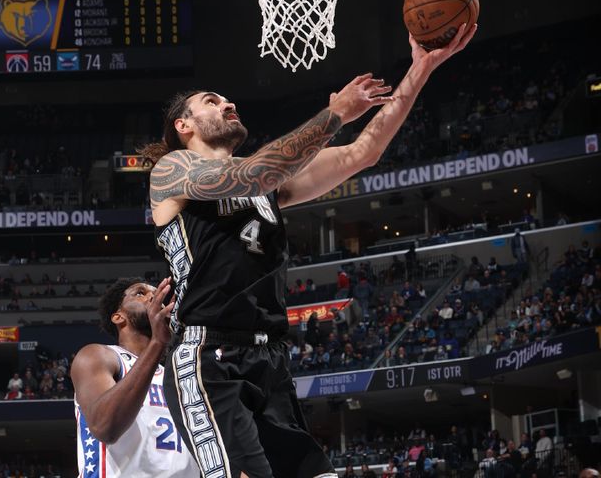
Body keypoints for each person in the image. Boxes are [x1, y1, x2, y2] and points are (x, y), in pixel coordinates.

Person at [142, 24, 476, 478]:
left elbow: (363, 152)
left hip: (270, 358)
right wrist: (334, 112)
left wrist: (419, 70)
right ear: (184, 126)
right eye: (211, 101)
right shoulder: (172, 170)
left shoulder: (266, 182)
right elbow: (253, 176)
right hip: (208, 361)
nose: (228, 103)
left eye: (226, 99)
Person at [70, 277, 198, 478]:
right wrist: (158, 343)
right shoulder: (99, 356)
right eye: (140, 293)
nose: (153, 296)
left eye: (156, 294)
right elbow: (104, 426)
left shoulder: (179, 376)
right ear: (118, 317)